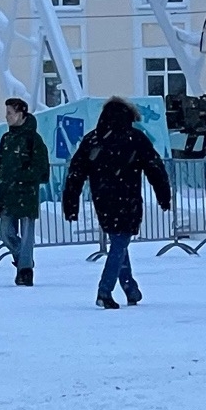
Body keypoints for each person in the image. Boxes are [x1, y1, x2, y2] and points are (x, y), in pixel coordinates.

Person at [61, 96, 173, 310]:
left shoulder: (93, 139)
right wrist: (163, 195)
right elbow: (155, 168)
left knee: (118, 242)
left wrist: (71, 202)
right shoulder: (135, 138)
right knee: (120, 242)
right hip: (127, 197)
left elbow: (75, 173)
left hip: (102, 199)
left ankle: (130, 288)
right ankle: (105, 290)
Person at [0, 97, 47, 287]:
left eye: (10, 113)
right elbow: (1, 161)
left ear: (21, 114)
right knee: (5, 232)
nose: (7, 117)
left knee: (27, 235)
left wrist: (22, 176)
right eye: (7, 113)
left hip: (26, 193)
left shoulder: (33, 139)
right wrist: (1, 174)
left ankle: (25, 270)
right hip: (8, 193)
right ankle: (23, 259)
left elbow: (42, 169)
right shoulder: (6, 139)